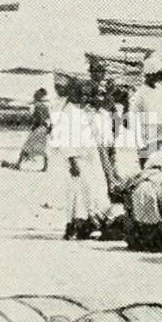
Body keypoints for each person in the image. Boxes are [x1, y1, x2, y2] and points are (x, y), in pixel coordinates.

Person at [55, 81, 110, 239]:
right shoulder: (68, 111)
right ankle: (72, 226)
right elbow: (65, 138)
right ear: (73, 94)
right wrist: (72, 161)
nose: (85, 97)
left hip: (89, 157)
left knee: (88, 192)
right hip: (77, 159)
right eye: (82, 94)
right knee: (75, 194)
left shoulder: (82, 111)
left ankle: (84, 224)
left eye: (87, 95)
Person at [128, 54, 162, 166]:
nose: (159, 78)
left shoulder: (161, 91)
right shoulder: (140, 94)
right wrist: (141, 146)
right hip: (148, 143)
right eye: (157, 74)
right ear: (150, 74)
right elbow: (132, 121)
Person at [14, 87, 52, 170]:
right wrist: (50, 128)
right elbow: (49, 118)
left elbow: (38, 118)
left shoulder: (37, 105)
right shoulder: (47, 105)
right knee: (44, 147)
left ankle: (18, 164)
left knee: (26, 146)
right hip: (44, 128)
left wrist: (32, 123)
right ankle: (45, 167)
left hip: (38, 127)